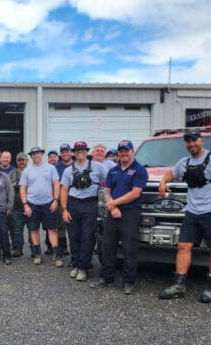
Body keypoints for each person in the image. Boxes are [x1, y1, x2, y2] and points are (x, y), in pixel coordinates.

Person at [159, 128, 211, 301]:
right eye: (188, 141)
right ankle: (179, 285)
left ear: (201, 140)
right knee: (183, 246)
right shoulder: (184, 162)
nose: (191, 144)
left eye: (194, 140)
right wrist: (162, 182)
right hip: (192, 212)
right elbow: (170, 173)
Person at [91, 140, 147, 295]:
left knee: (129, 248)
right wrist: (113, 206)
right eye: (121, 151)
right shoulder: (113, 170)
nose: (123, 154)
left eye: (126, 151)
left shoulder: (139, 170)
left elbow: (135, 193)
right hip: (113, 213)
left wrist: (114, 203)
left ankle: (129, 281)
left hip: (130, 212)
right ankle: (106, 278)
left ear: (132, 151)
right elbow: (107, 190)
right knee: (107, 246)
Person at [59, 141, 107, 282]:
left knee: (87, 236)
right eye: (77, 150)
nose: (80, 152)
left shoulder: (98, 167)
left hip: (90, 204)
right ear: (74, 152)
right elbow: (64, 190)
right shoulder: (68, 170)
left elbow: (110, 180)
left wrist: (108, 197)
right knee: (74, 237)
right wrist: (64, 209)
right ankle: (76, 263)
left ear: (87, 151)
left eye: (82, 150)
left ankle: (83, 268)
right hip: (73, 204)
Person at [21, 146, 62, 266]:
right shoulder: (27, 171)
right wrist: (25, 205)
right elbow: (23, 188)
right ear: (31, 156)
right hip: (32, 204)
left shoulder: (51, 168)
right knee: (33, 229)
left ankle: (56, 255)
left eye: (38, 153)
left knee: (52, 229)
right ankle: (38, 254)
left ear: (42, 154)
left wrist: (55, 200)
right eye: (33, 154)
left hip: (48, 203)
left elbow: (56, 184)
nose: (36, 156)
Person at [9, 152, 28, 257]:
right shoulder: (12, 173)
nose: (21, 162)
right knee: (17, 229)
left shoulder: (31, 172)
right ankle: (18, 249)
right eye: (19, 160)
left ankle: (34, 249)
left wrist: (17, 185)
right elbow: (8, 187)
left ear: (27, 161)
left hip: (30, 205)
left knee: (32, 228)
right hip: (16, 206)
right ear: (16, 161)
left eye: (23, 160)